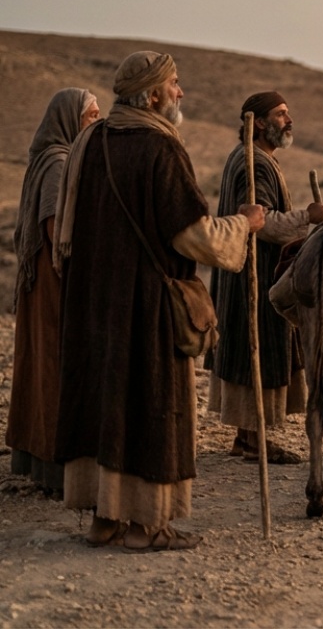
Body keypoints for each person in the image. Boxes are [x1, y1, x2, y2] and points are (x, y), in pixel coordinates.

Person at [53, 51, 266, 551]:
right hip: (145, 303)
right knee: (151, 404)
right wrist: (245, 224)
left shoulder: (93, 140)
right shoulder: (159, 148)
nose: (181, 93)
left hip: (94, 299)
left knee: (106, 402)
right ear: (152, 95)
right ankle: (146, 527)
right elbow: (193, 235)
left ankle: (104, 518)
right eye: (174, 84)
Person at [206, 92, 323, 464]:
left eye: (287, 113)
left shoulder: (254, 159)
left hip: (249, 271)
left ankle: (246, 437)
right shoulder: (253, 164)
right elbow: (263, 222)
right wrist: (308, 217)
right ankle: (253, 440)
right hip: (253, 275)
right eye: (280, 114)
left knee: (249, 346)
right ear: (258, 122)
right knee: (253, 347)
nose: (288, 120)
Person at [6, 88, 100, 496]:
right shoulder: (61, 163)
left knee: (43, 366)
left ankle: (43, 463)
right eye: (90, 116)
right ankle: (56, 469)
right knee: (55, 368)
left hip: (41, 282)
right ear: (69, 121)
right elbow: (53, 227)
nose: (97, 122)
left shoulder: (49, 158)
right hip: (52, 282)